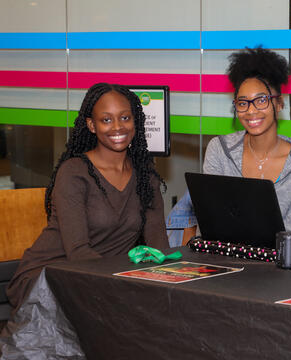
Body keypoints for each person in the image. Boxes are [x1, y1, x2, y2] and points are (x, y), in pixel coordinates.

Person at [6, 83, 169, 312]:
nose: (117, 127)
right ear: (92, 125)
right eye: (106, 120)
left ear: (136, 121)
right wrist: (123, 284)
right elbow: (78, 253)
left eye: (125, 117)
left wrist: (177, 276)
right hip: (50, 277)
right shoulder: (74, 172)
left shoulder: (146, 177)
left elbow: (158, 247)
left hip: (103, 279)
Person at [166, 47, 291, 246]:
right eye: (243, 103)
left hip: (278, 268)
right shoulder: (219, 150)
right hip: (223, 261)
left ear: (279, 103)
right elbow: (211, 221)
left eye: (261, 100)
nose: (251, 111)